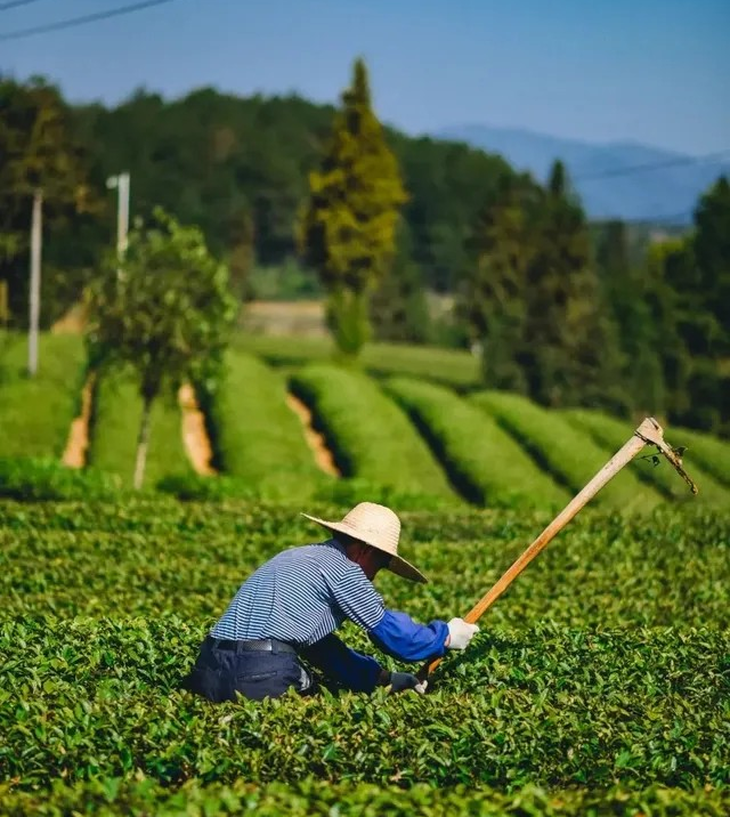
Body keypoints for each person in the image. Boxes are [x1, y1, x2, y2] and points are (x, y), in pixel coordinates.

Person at [182, 501, 479, 702]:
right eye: (382, 563)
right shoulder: (345, 570)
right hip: (260, 673)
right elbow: (398, 639)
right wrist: (446, 635)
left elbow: (323, 650)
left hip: (208, 668)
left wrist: (383, 678)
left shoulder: (296, 556)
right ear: (365, 551)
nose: (375, 575)